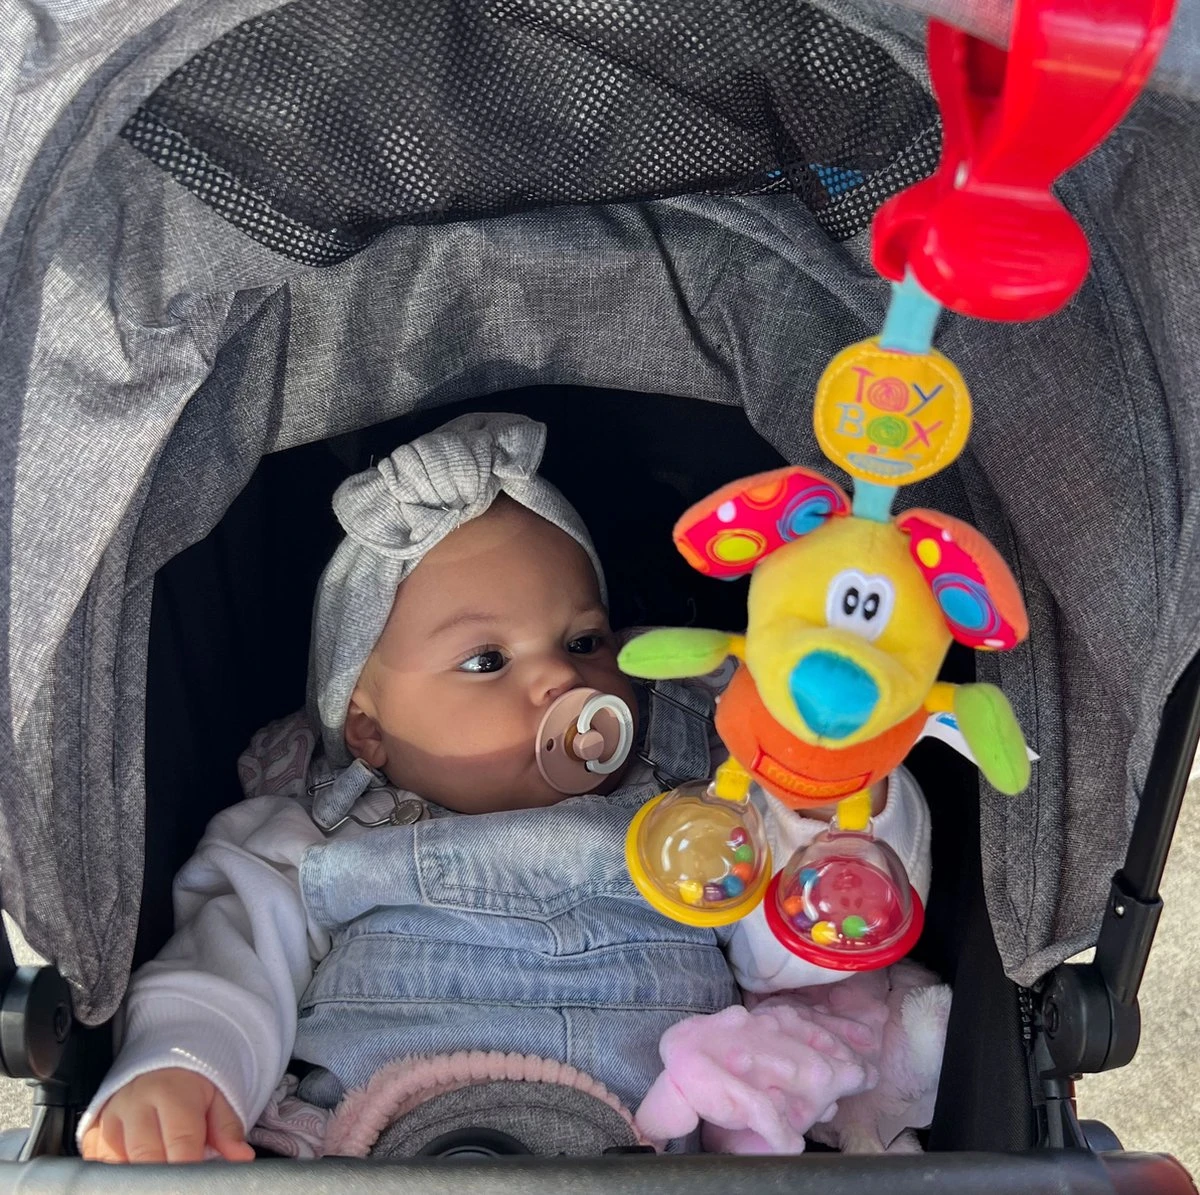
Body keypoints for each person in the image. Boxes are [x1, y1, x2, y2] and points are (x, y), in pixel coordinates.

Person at [79, 412, 931, 1163]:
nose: (562, 677)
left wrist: (820, 801)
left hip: (655, 1144)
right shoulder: (311, 837)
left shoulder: (695, 813)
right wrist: (185, 1066)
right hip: (379, 1145)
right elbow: (226, 960)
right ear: (368, 729)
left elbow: (806, 945)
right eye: (487, 660)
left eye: (585, 640)